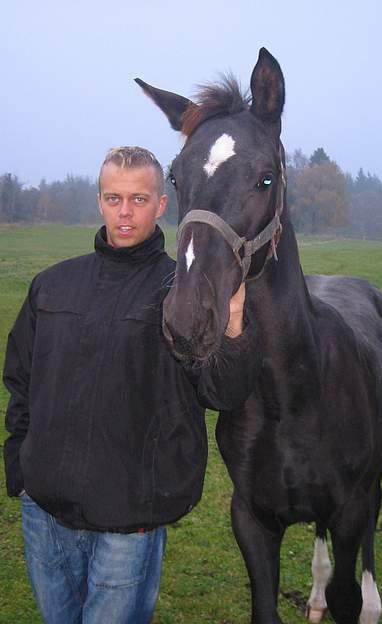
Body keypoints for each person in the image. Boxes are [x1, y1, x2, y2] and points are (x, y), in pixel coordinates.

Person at [3, 146, 261, 624]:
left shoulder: (182, 292)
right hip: (44, 510)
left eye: (139, 199)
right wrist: (20, 466)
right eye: (114, 198)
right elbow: (20, 381)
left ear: (162, 205)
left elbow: (222, 393)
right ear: (100, 200)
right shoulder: (52, 285)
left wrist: (236, 322)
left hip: (129, 517)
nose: (125, 212)